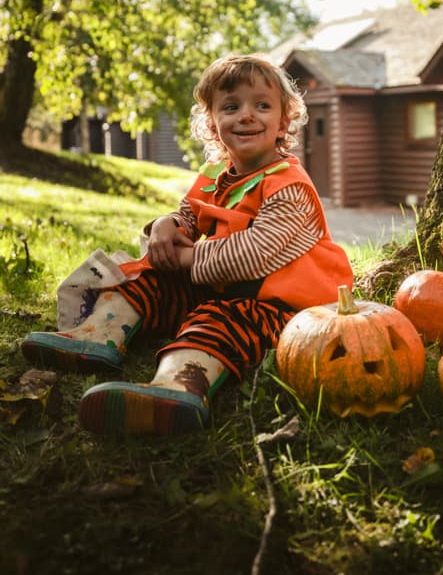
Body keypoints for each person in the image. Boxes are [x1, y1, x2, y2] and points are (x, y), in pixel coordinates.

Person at [22, 54, 354, 436]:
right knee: (147, 280)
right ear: (212, 123)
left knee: (216, 322)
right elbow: (189, 216)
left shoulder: (288, 186)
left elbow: (249, 256)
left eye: (262, 105)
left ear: (283, 120)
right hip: (218, 288)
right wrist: (166, 225)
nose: (246, 115)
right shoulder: (215, 174)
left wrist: (181, 256)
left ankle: (179, 388)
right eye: (231, 107)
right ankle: (97, 336)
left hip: (278, 309)